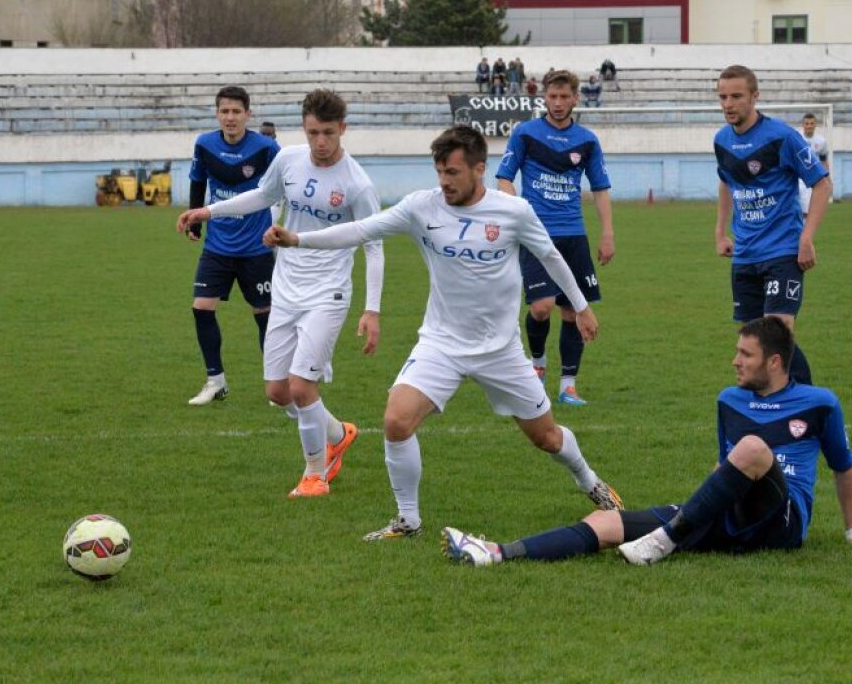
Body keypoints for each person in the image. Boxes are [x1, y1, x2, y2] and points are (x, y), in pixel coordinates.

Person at [262, 125, 623, 541]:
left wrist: (579, 307)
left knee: (546, 437)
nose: (444, 182)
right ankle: (408, 519)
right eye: (439, 172)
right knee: (397, 421)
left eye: (453, 172)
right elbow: (362, 230)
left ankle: (588, 480)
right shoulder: (422, 208)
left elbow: (550, 256)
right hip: (441, 344)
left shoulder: (514, 211)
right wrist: (298, 239)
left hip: (500, 350)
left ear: (479, 169)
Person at [442, 316, 852, 566]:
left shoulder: (820, 403)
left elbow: (844, 467)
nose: (734, 361)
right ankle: (497, 553)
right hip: (731, 512)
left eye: (745, 355)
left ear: (774, 362)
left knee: (754, 448)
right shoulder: (728, 400)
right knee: (606, 522)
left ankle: (666, 539)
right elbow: (723, 467)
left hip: (782, 519)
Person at [177, 90, 381, 497]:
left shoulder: (357, 184)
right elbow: (263, 197)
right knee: (277, 390)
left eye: (327, 133)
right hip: (287, 289)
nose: (319, 143)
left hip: (328, 294)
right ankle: (339, 434)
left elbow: (373, 245)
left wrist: (371, 310)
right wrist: (208, 211)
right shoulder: (288, 159)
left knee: (303, 387)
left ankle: (315, 474)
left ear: (343, 129)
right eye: (312, 133)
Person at [496, 69, 615, 406]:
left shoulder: (588, 141)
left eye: (565, 97)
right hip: (535, 234)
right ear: (544, 98)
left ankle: (568, 386)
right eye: (553, 97)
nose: (558, 103)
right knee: (541, 307)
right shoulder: (526, 133)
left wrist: (607, 233)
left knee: (572, 311)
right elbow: (504, 177)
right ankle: (537, 365)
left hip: (573, 235)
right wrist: (515, 210)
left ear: (576, 98)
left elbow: (601, 189)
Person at [713, 65, 828, 386]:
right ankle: (770, 406)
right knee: (754, 342)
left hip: (782, 251)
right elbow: (726, 182)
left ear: (755, 96)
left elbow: (822, 185)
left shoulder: (782, 137)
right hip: (745, 254)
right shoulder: (721, 140)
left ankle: (809, 403)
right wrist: (721, 231)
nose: (728, 104)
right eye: (723, 97)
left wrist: (806, 238)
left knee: (778, 331)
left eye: (736, 96)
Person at [183, 86, 281, 405]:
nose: (230, 117)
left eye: (236, 112)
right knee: (201, 308)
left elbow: (285, 188)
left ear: (247, 115)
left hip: (256, 247)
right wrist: (195, 219)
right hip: (218, 245)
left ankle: (275, 385)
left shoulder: (267, 148)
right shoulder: (205, 144)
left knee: (265, 314)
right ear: (217, 114)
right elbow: (198, 180)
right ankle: (215, 382)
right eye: (224, 111)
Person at [796, 112, 830, 216]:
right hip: (797, 177)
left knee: (807, 210)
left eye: (811, 123)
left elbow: (824, 160)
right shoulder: (796, 138)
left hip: (813, 178)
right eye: (807, 123)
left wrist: (828, 178)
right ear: (803, 125)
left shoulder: (821, 141)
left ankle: (804, 230)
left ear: (815, 125)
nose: (809, 126)